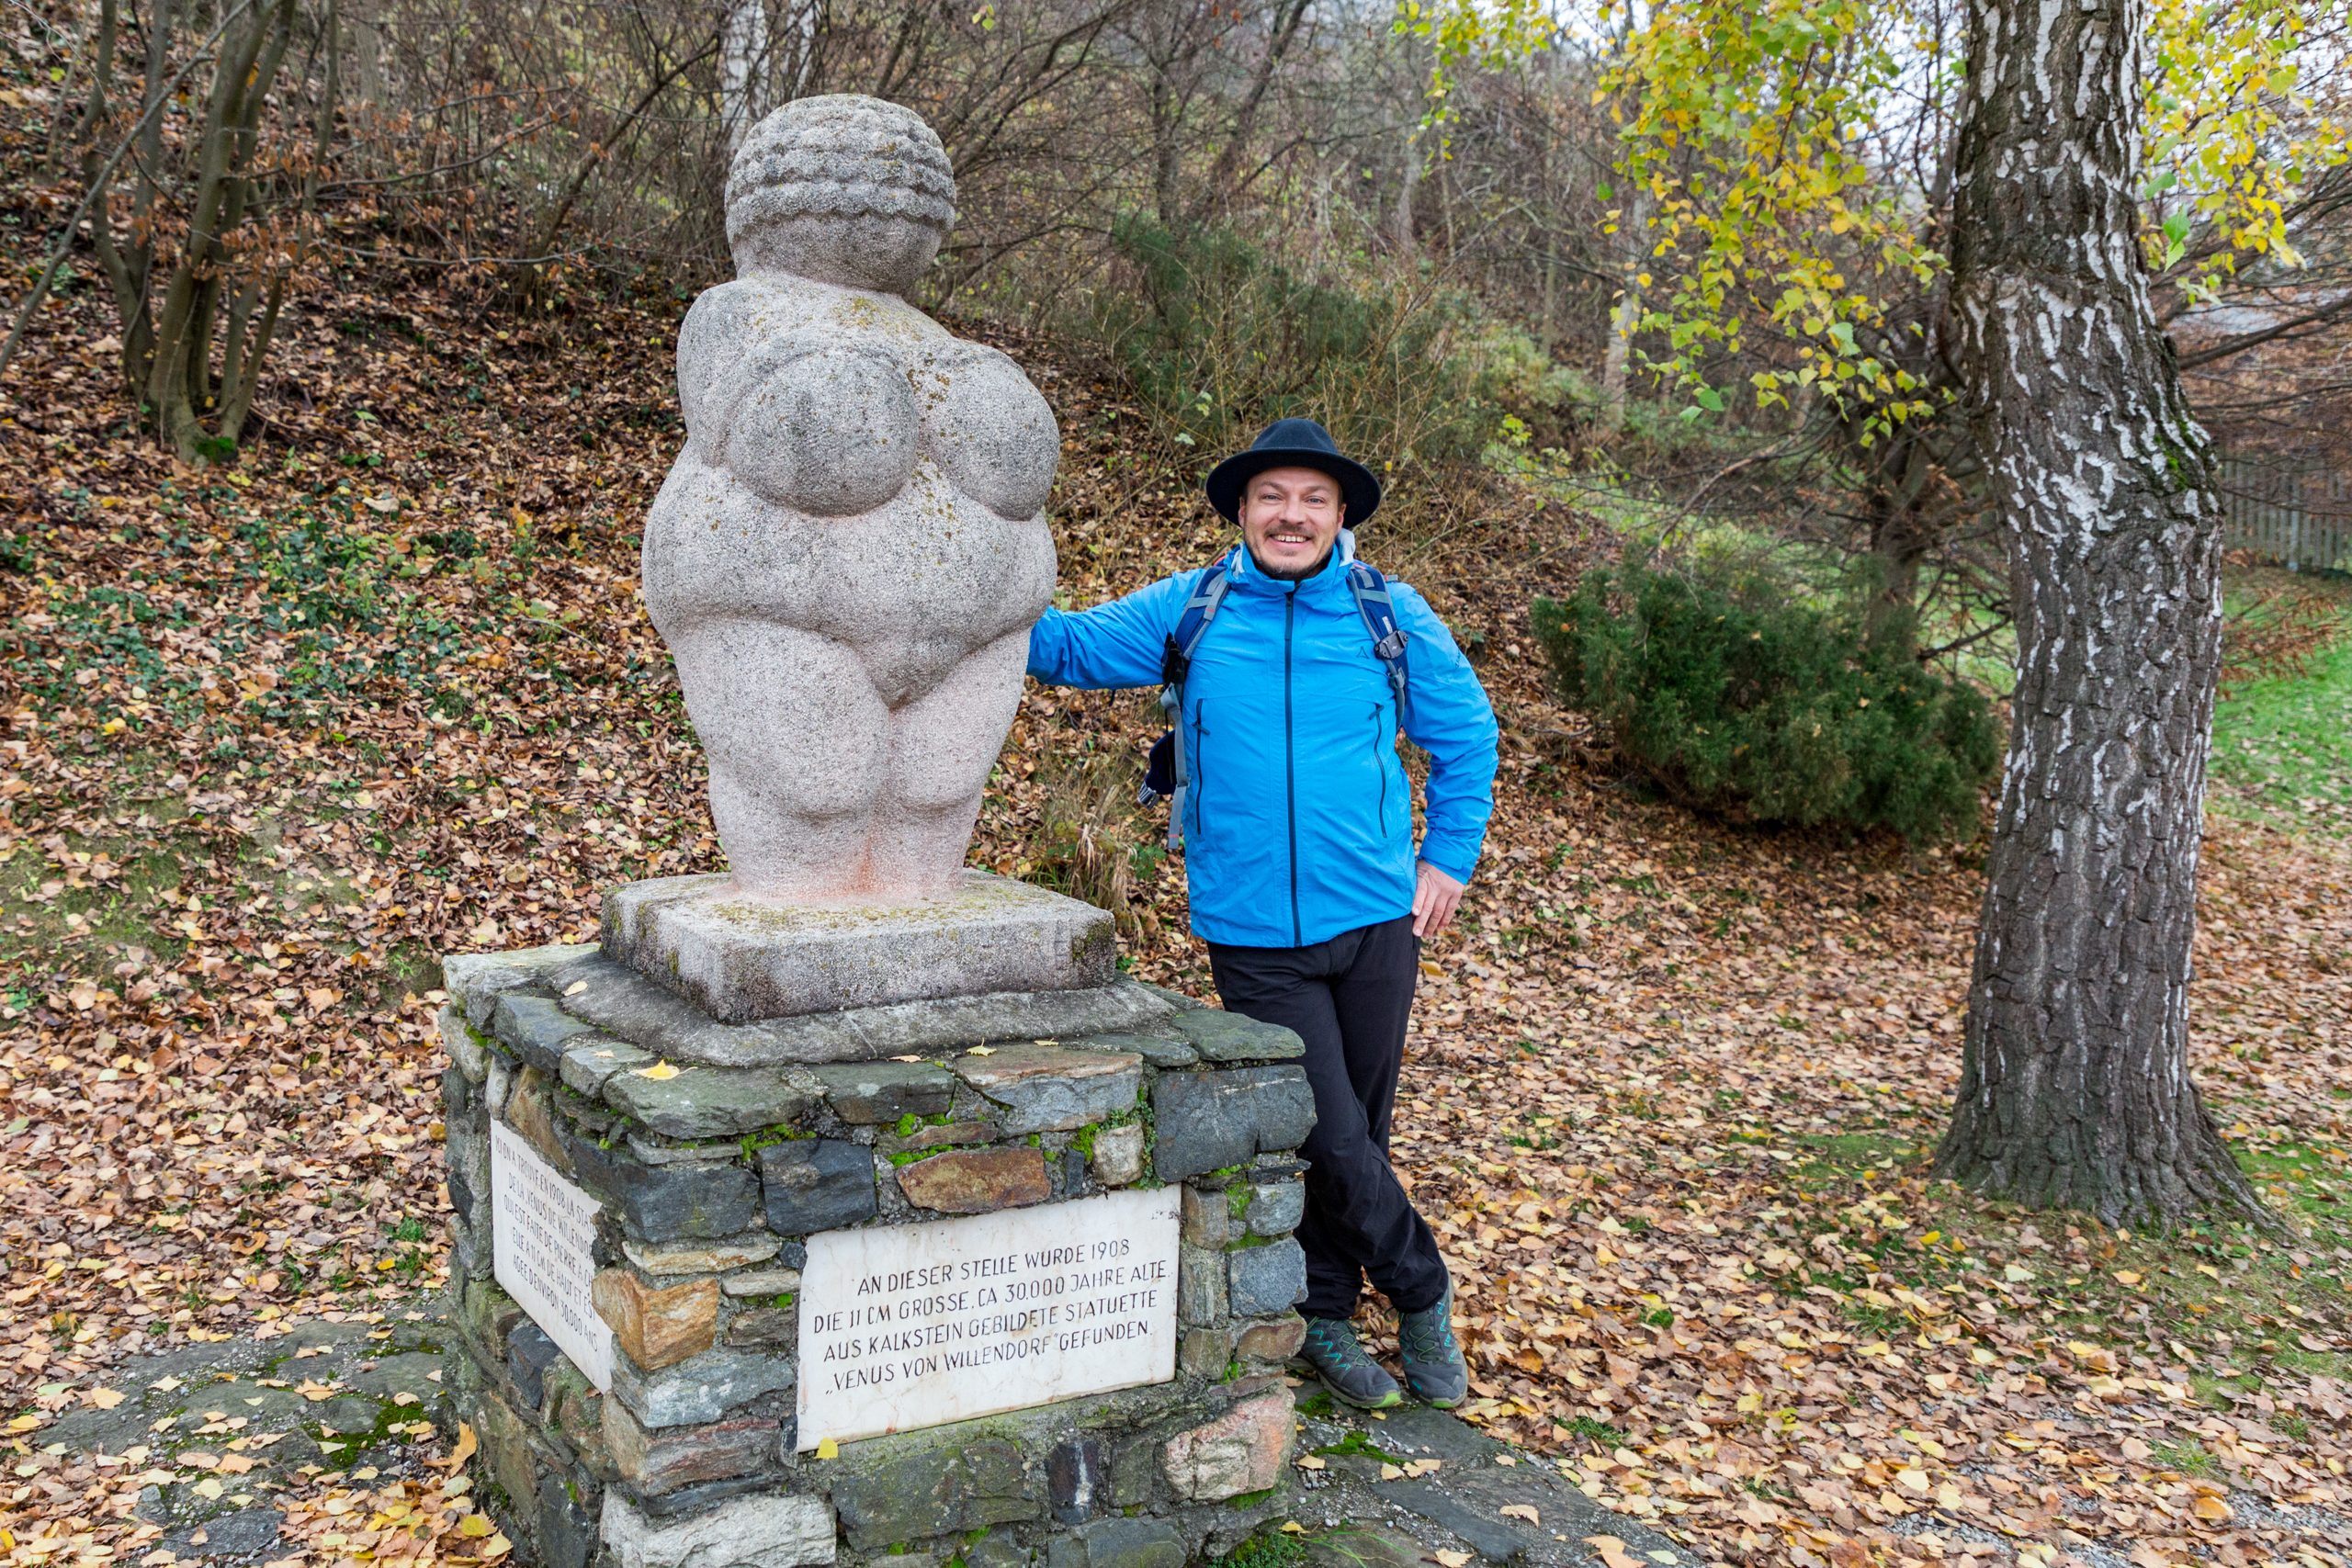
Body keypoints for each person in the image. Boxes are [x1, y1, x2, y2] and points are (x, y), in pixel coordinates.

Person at [1025, 417, 1499, 1409]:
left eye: (1312, 500)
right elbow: (1060, 646)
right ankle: (1421, 1289)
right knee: (1325, 1132)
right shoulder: (1192, 609)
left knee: (1358, 1131)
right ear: (1242, 512)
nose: (1291, 515)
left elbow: (1466, 739)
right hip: (1252, 932)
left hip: (1376, 922)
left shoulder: (1387, 614)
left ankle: (1325, 1311)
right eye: (1272, 498)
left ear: (1338, 517)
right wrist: (966, 586)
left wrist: (1446, 858)